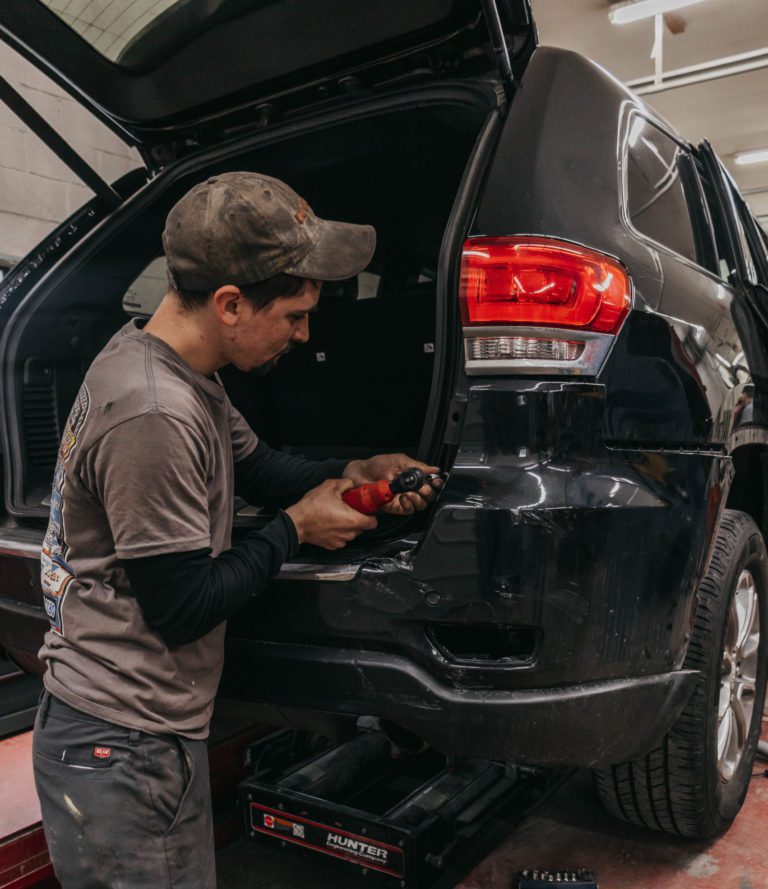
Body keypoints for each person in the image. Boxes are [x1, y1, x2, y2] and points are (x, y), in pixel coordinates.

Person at [34, 172, 440, 889]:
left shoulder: (182, 369)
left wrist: (357, 472)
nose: (305, 333)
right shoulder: (154, 412)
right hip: (120, 745)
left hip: (141, 732)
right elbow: (184, 603)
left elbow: (259, 467)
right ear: (229, 304)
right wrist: (296, 529)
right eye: (293, 315)